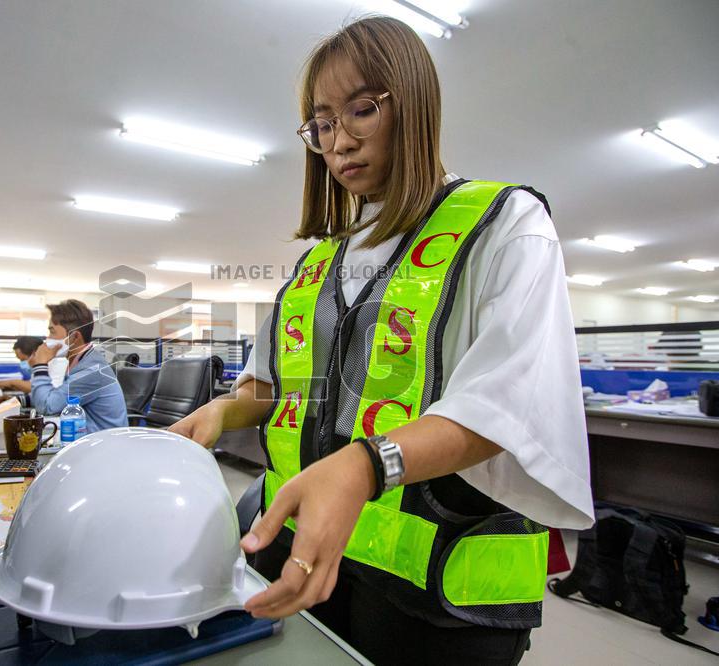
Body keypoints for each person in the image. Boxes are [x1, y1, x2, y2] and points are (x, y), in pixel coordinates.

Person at [169, 16, 593, 666]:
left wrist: (366, 464)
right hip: (312, 553)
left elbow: (508, 405)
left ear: (414, 103)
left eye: (362, 109)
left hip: (443, 588)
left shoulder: (502, 223)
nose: (339, 142)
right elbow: (272, 382)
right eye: (322, 125)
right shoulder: (318, 263)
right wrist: (224, 411)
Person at [27, 299, 127, 431]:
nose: (47, 339)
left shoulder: (91, 370)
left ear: (74, 337)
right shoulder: (81, 361)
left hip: (104, 444)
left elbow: (48, 407)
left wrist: (40, 365)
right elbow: (57, 396)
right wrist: (24, 400)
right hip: (87, 436)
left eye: (52, 332)